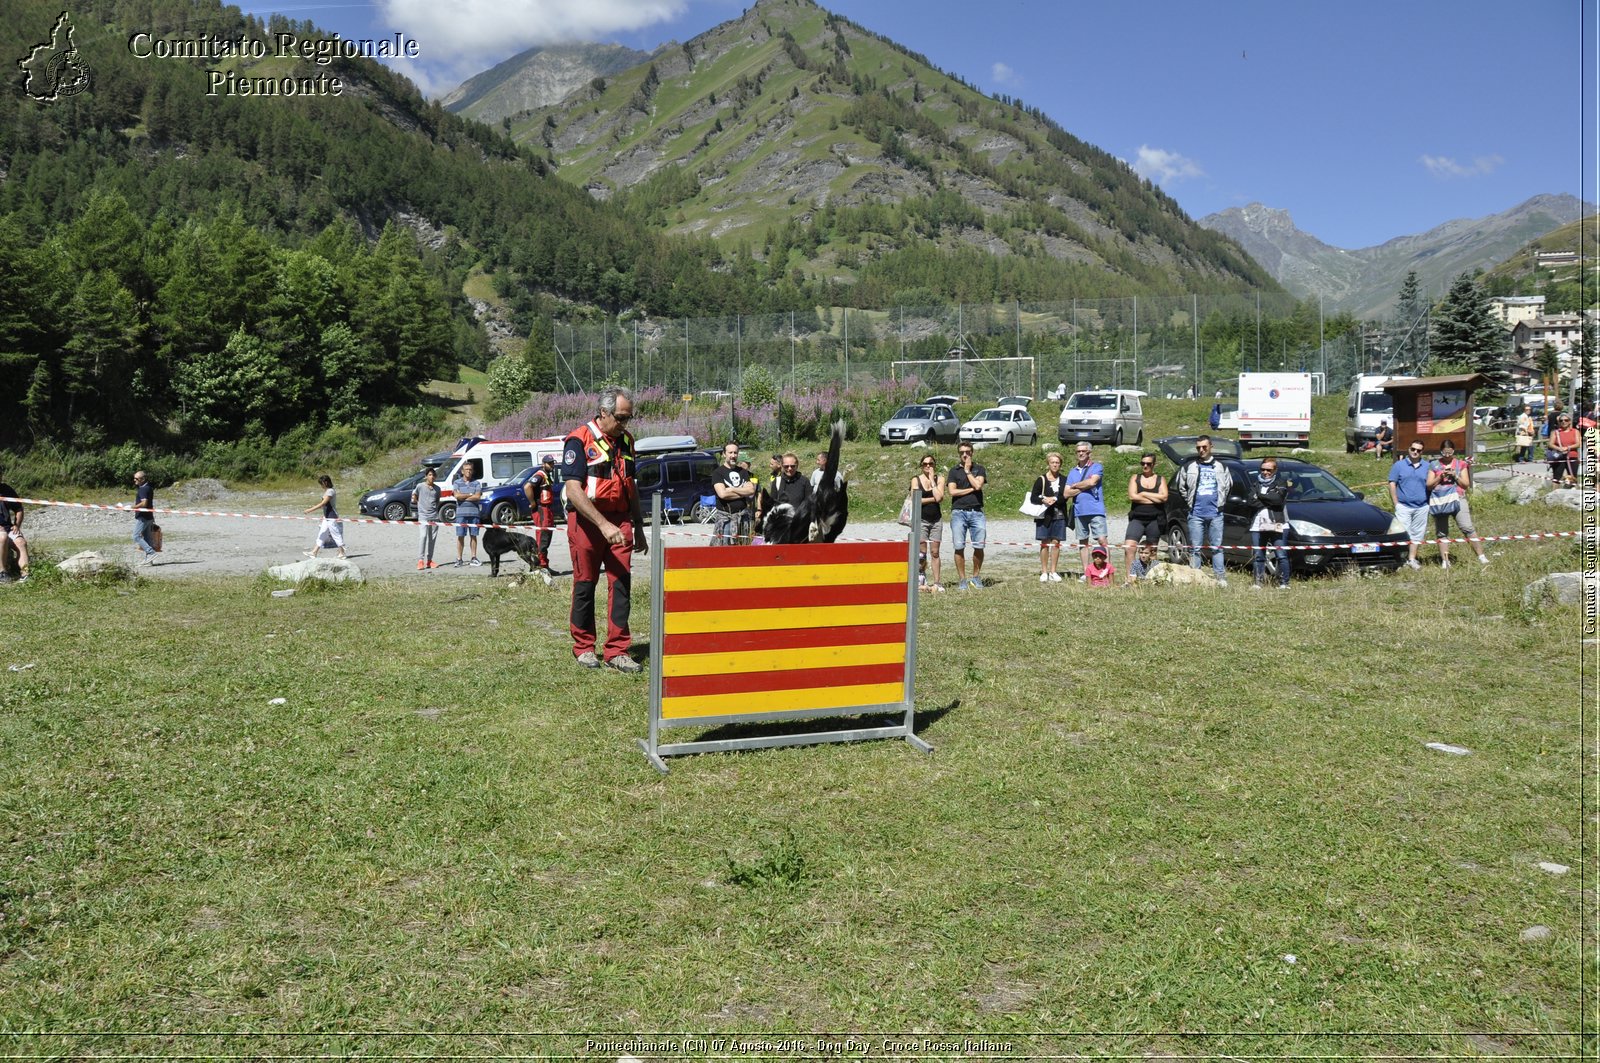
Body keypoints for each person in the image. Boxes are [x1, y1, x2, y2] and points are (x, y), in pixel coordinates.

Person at [562, 385, 646, 672]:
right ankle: (584, 647)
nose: (625, 424)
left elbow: (630, 486)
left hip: (620, 520)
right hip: (587, 522)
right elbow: (573, 490)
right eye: (621, 418)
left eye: (628, 418)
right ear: (604, 412)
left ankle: (617, 651)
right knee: (585, 584)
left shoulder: (627, 441)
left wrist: (639, 525)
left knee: (621, 584)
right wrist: (602, 524)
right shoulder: (578, 440)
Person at [1174, 435, 1232, 586]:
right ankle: (1196, 577)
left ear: (1211, 447)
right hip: (1195, 514)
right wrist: (1190, 503)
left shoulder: (1221, 466)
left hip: (1216, 514)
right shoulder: (1189, 466)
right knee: (1195, 548)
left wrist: (1220, 503)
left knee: (1217, 547)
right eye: (1198, 447)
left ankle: (1220, 578)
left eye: (1204, 447)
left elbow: (1228, 486)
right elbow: (1181, 487)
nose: (1201, 450)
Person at [1427, 438, 1489, 567]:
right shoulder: (1434, 465)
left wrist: (1455, 476)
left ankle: (1481, 556)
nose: (1447, 455)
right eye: (1444, 452)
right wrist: (1440, 476)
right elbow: (1429, 485)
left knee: (1467, 527)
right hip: (1441, 500)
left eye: (1450, 452)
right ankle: (1445, 560)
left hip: (1458, 497)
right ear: (1441, 451)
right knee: (1442, 531)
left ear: (1453, 451)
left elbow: (1466, 484)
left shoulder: (1460, 464)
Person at [1063, 442, 1107, 581]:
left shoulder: (1097, 467)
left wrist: (1075, 485)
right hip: (1079, 511)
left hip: (1095, 509)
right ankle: (1086, 571)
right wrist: (1082, 486)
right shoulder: (1072, 472)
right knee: (1083, 542)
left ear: (1089, 453)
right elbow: (1066, 493)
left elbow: (1092, 482)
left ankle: (1106, 570)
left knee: (1102, 540)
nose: (1081, 453)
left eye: (1083, 451)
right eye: (1078, 451)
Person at [947, 444, 987, 590]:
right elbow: (952, 492)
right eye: (962, 453)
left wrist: (967, 471)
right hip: (958, 512)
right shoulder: (953, 471)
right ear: (959, 454)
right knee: (959, 546)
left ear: (972, 453)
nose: (965, 455)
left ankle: (976, 577)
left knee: (979, 546)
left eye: (967, 452)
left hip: (977, 512)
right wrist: (971, 488)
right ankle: (962, 579)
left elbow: (978, 485)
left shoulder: (979, 469)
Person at [1123, 452, 1168, 580]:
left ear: (1154, 464)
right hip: (1137, 518)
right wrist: (1154, 498)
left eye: (1148, 463)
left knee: (1152, 551)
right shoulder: (1135, 478)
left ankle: (1150, 578)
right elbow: (1132, 496)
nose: (1145, 466)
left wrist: (1142, 493)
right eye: (1143, 463)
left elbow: (1164, 497)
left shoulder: (1160, 479)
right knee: (1129, 548)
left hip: (1155, 519)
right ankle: (1130, 579)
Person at [1248, 456, 1290, 590]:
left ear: (1275, 470)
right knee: (1258, 555)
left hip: (1278, 524)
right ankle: (1258, 582)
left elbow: (1278, 500)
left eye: (1269, 470)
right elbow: (1251, 501)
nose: (1265, 472)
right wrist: (1268, 498)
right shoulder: (1255, 484)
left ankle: (1284, 583)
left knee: (1281, 555)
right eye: (1263, 469)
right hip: (1257, 525)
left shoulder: (1281, 483)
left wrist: (1260, 496)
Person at [1388, 439, 1431, 570]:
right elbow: (1392, 483)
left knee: (1417, 534)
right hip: (1403, 506)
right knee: (1403, 533)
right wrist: (1396, 503)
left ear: (1422, 452)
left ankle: (1412, 558)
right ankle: (1400, 559)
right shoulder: (1399, 465)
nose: (1415, 452)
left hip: (1422, 506)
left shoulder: (1427, 466)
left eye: (1418, 450)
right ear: (1409, 449)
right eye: (1413, 449)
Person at [1029, 451, 1067, 582]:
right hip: (1045, 515)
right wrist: (1044, 500)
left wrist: (1055, 499)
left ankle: (1053, 571)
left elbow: (1065, 496)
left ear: (1060, 464)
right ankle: (1044, 571)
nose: (1055, 465)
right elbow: (1033, 497)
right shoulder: (1041, 479)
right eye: (1053, 462)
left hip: (1060, 514)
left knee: (1056, 543)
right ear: (1048, 464)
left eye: (1057, 462)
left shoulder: (1064, 479)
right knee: (1044, 542)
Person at [911, 454, 945, 591]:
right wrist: (932, 499)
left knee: (935, 552)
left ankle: (937, 582)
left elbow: (940, 497)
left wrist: (932, 481)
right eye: (925, 464)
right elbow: (915, 500)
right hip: (921, 519)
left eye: (930, 463)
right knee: (921, 552)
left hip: (936, 520)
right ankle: (921, 579)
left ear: (934, 465)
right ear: (921, 466)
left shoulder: (940, 479)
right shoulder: (915, 480)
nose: (928, 466)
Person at [711, 442, 755, 546]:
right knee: (724, 550)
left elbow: (751, 490)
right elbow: (722, 494)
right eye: (730, 452)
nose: (733, 455)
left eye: (735, 453)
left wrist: (731, 489)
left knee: (743, 548)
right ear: (724, 454)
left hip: (742, 519)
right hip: (726, 520)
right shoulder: (718, 473)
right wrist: (742, 492)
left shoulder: (743, 472)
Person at [524, 454, 562, 569]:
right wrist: (532, 502)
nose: (552, 465)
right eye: (549, 463)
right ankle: (541, 566)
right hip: (541, 510)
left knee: (546, 538)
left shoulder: (546, 475)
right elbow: (527, 487)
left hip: (547, 510)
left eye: (552, 463)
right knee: (542, 539)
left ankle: (544, 565)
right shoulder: (539, 475)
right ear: (543, 464)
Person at [450, 459, 485, 566]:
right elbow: (457, 496)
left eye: (470, 469)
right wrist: (470, 494)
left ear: (473, 471)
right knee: (460, 536)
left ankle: (473, 557)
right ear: (462, 471)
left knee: (473, 536)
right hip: (461, 514)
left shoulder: (476, 483)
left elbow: (478, 496)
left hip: (474, 513)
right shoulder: (457, 483)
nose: (468, 471)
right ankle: (459, 558)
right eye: (466, 469)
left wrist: (464, 496)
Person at [303, 474, 346, 559]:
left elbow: (323, 504)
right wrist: (324, 515)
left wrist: (309, 510)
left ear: (325, 482)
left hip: (332, 516)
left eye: (321, 483)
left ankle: (342, 552)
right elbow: (325, 507)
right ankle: (314, 552)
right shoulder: (327, 491)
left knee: (335, 534)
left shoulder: (330, 491)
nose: (321, 486)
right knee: (322, 533)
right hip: (327, 517)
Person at [0, 472, 29, 583]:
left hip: (8, 527)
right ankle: (2, 573)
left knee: (21, 542)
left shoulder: (7, 490)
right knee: (2, 537)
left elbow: (19, 509)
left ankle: (25, 573)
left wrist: (17, 525)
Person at [412, 466, 442, 570]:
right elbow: (414, 495)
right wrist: (418, 503)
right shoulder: (420, 486)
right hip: (423, 516)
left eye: (433, 475)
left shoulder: (437, 489)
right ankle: (421, 560)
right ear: (426, 476)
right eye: (429, 475)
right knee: (423, 536)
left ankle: (430, 560)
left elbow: (437, 501)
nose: (432, 477)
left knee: (432, 539)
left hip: (434, 516)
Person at [129, 470, 158, 565]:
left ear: (143, 479)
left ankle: (151, 553)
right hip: (149, 516)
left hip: (143, 517)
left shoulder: (143, 489)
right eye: (134, 478)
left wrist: (132, 507)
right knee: (147, 538)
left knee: (135, 536)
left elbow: (144, 503)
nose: (134, 480)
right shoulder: (149, 487)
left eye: (136, 479)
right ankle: (149, 559)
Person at [1548, 412, 1581, 485]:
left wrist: (1568, 447)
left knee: (1573, 477)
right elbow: (1550, 444)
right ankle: (1555, 493)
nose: (1563, 422)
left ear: (1569, 421)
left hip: (1572, 456)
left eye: (1566, 420)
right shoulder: (1555, 432)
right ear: (1559, 422)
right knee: (1557, 477)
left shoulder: (1575, 431)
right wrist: (1559, 448)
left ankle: (1572, 492)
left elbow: (1578, 444)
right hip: (1559, 457)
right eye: (1561, 420)